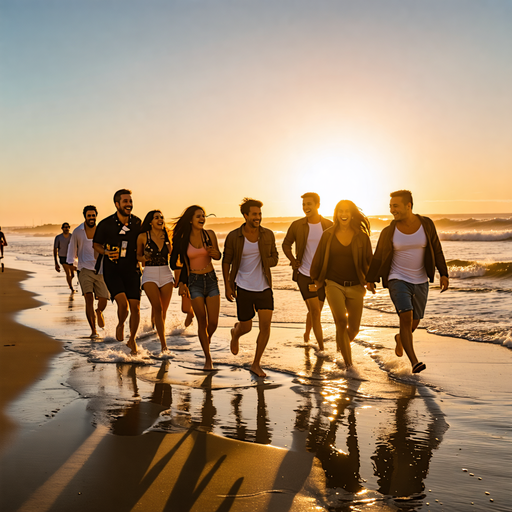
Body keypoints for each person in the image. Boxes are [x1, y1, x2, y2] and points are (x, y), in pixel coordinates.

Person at [366, 190, 449, 374]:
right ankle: (414, 362)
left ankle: (400, 338)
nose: (392, 210)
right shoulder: (389, 231)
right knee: (406, 316)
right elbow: (379, 256)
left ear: (408, 206)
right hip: (397, 278)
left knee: (415, 321)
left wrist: (444, 273)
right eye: (390, 206)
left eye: (395, 206)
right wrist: (370, 279)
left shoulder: (426, 224)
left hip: (420, 280)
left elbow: (436, 248)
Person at [311, 200, 375, 369]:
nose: (343, 214)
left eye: (347, 211)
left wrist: (371, 280)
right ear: (336, 214)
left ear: (352, 214)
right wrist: (316, 281)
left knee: (353, 329)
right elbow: (318, 259)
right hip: (333, 284)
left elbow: (369, 260)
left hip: (356, 286)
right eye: (340, 211)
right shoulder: (328, 234)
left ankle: (342, 342)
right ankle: (348, 366)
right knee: (340, 321)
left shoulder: (361, 236)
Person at [222, 198, 278, 378]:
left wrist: (265, 260)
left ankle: (256, 364)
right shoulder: (233, 236)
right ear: (245, 215)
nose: (258, 217)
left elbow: (275, 258)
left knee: (266, 327)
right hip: (243, 286)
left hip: (264, 286)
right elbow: (226, 261)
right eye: (254, 214)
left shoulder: (268, 234)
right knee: (246, 327)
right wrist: (228, 285)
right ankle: (235, 333)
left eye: (260, 214)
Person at [170, 206, 221, 370]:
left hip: (211, 279)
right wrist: (181, 283)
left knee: (213, 322)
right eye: (199, 216)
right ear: (191, 219)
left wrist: (214, 254)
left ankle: (206, 340)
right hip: (194, 282)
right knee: (202, 321)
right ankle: (208, 358)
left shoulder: (210, 234)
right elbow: (176, 263)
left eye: (204, 216)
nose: (202, 218)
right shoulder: (183, 239)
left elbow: (219, 255)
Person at [282, 192, 333, 354]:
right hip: (304, 274)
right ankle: (321, 349)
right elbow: (286, 244)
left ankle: (306, 333)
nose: (306, 208)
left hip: (323, 276)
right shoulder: (297, 225)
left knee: (315, 309)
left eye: (309, 204)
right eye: (304, 204)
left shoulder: (329, 225)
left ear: (317, 205)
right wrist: (293, 260)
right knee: (316, 312)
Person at [93, 189, 142, 354]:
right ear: (117, 204)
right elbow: (96, 245)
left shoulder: (137, 223)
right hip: (112, 270)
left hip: (133, 270)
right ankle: (121, 324)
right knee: (124, 304)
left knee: (135, 307)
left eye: (130, 201)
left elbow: (143, 242)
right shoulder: (105, 224)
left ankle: (132, 339)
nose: (129, 204)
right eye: (126, 201)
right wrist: (106, 252)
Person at [66, 206, 109, 338]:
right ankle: (93, 330)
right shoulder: (78, 231)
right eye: (89, 215)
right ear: (85, 216)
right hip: (84, 269)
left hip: (100, 269)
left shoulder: (102, 230)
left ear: (96, 215)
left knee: (103, 299)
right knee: (88, 298)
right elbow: (72, 248)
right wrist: (72, 264)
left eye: (93, 215)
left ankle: (99, 311)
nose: (91, 218)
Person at [137, 210, 174, 353]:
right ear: (150, 222)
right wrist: (144, 258)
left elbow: (173, 254)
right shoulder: (142, 237)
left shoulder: (168, 236)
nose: (160, 219)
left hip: (166, 274)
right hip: (150, 275)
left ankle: (156, 327)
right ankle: (164, 346)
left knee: (163, 311)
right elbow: (138, 257)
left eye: (162, 217)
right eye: (156, 218)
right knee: (157, 308)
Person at [54, 222, 75, 292]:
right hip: (63, 257)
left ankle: (70, 284)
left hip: (71, 257)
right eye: (65, 227)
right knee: (68, 273)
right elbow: (55, 249)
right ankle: (71, 287)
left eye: (68, 227)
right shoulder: (58, 237)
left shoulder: (72, 237)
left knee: (73, 274)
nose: (67, 228)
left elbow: (77, 246)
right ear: (62, 228)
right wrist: (56, 263)